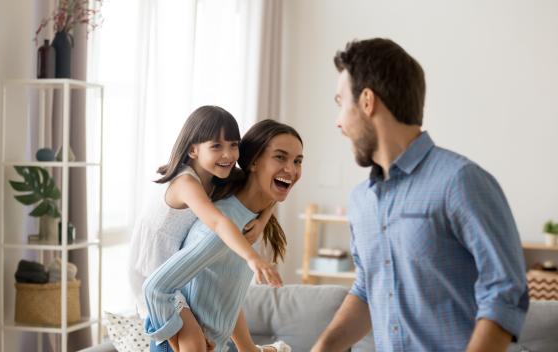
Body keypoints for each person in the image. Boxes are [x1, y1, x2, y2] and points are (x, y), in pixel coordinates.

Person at [312, 38, 529, 352]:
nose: (339, 122)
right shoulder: (361, 202)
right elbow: (367, 289)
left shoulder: (460, 181)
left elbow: (505, 292)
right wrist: (323, 347)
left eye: (340, 102)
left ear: (367, 101)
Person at [128, 106, 283, 351]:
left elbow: (266, 190)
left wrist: (262, 221)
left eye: (234, 145)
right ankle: (173, 339)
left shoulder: (216, 178)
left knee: (200, 343)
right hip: (154, 273)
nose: (229, 154)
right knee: (193, 342)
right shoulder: (186, 182)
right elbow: (218, 222)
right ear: (192, 149)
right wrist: (252, 257)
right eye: (216, 146)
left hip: (176, 275)